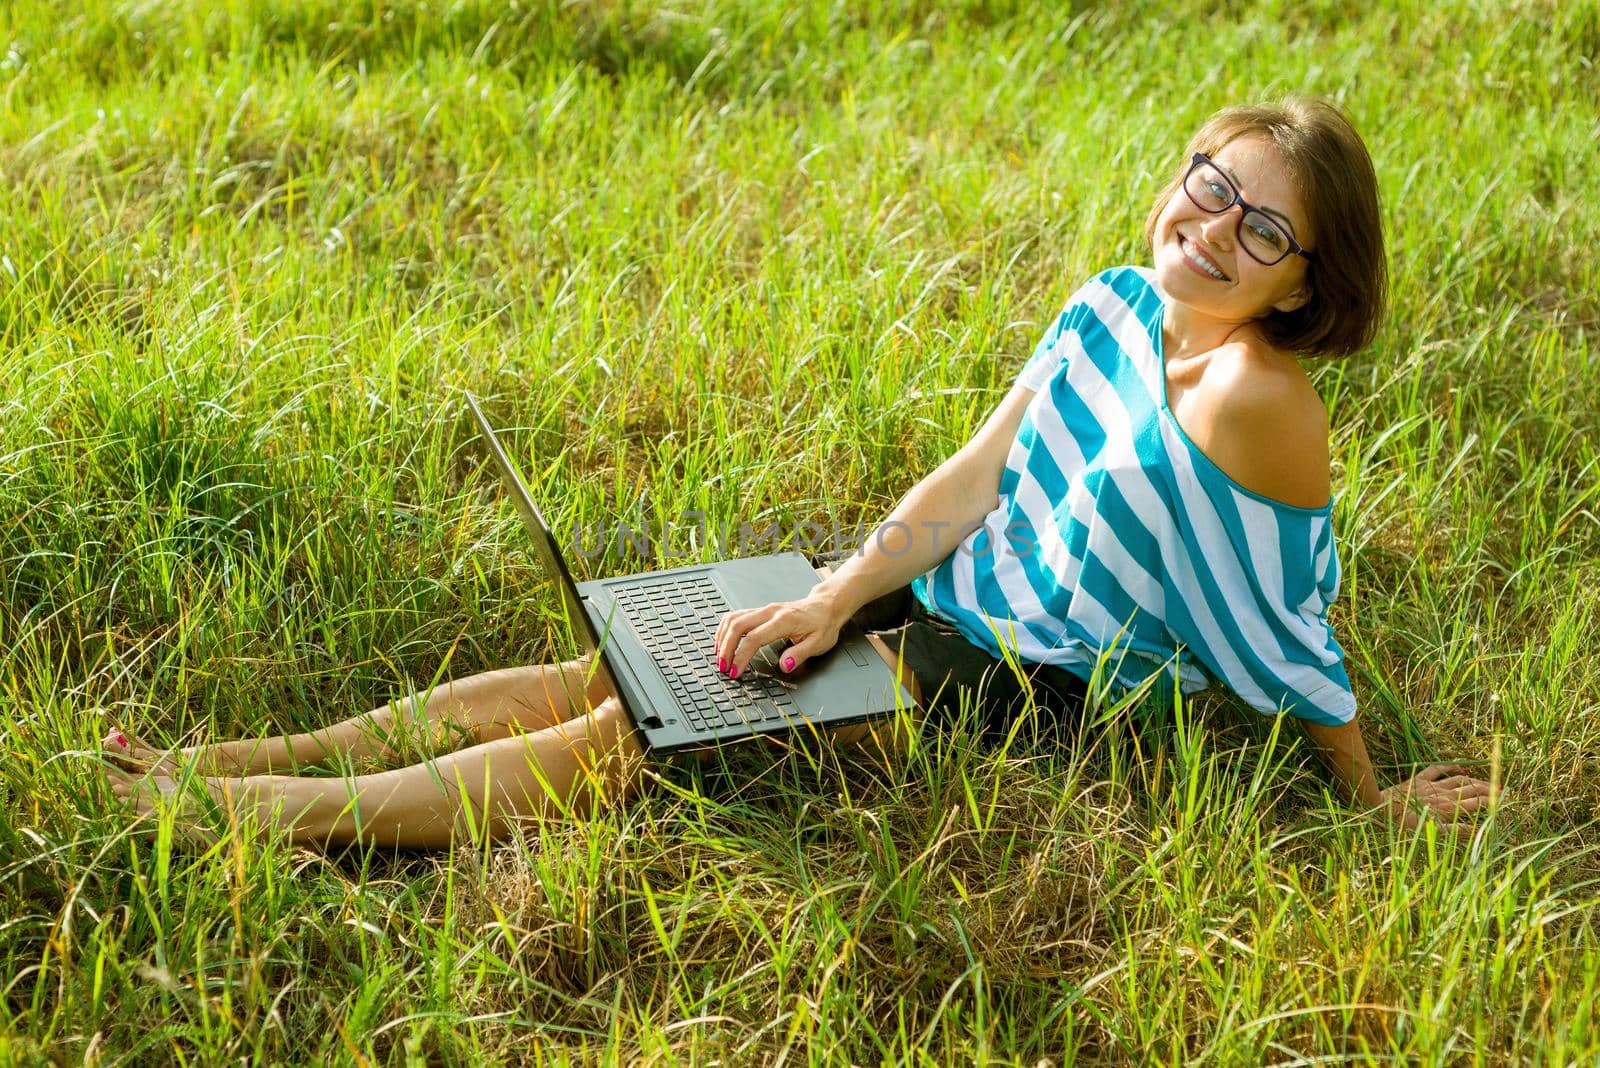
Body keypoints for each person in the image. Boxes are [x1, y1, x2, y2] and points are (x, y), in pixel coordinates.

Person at [103, 97, 1498, 848]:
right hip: (949, 597)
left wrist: (1370, 802)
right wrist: (837, 594)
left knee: (632, 743)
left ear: (1310, 279)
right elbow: (971, 483)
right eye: (1210, 181)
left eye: (1264, 228)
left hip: (1028, 686)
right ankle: (234, 760)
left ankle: (250, 817)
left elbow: (1275, 623)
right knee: (623, 663)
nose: (1214, 226)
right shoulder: (1112, 305)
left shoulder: (1260, 398)